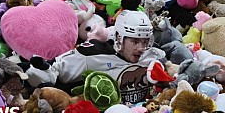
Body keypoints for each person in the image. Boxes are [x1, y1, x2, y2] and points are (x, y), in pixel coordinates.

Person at [25, 10, 166, 104]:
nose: (141, 48)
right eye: (135, 42)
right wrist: (41, 73)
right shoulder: (92, 54)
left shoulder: (151, 54)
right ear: (119, 38)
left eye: (144, 42)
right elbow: (55, 73)